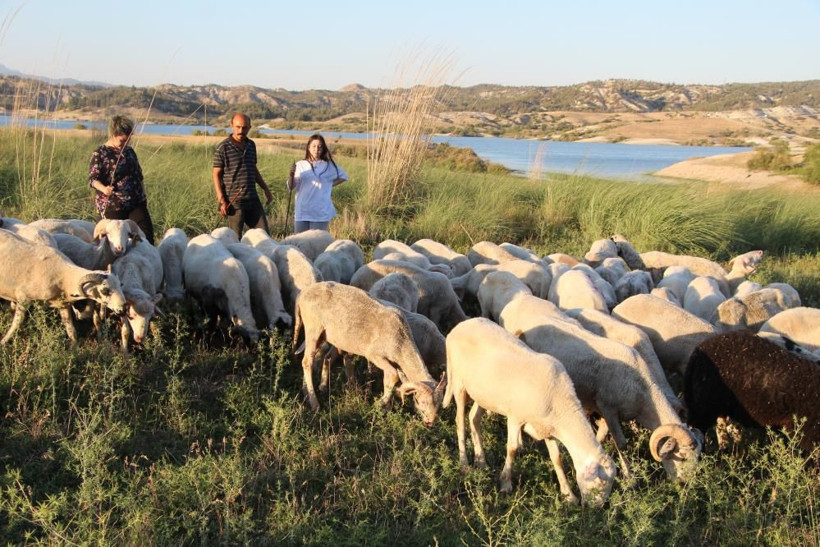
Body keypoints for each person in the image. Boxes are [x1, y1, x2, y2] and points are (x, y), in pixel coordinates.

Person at [89, 115, 155, 244]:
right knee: (115, 242)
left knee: (146, 239)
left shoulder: (129, 151)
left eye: (128, 140)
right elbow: (93, 179)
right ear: (114, 134)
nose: (125, 144)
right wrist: (104, 189)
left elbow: (139, 175)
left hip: (136, 202)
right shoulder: (100, 153)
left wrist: (143, 195)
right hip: (113, 205)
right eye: (122, 140)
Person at [212, 113, 274, 237]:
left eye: (245, 128)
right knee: (235, 239)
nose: (241, 131)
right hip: (234, 201)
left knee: (264, 236)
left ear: (250, 127)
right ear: (231, 126)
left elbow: (253, 169)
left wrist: (265, 189)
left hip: (252, 198)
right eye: (238, 127)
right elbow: (216, 175)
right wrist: (222, 200)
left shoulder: (251, 145)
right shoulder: (222, 148)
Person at [286, 134, 348, 233]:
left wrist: (328, 184)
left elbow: (343, 176)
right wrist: (291, 175)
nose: (317, 149)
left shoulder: (329, 165)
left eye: (320, 146)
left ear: (323, 149)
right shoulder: (300, 165)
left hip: (320, 213)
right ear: (308, 147)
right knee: (299, 241)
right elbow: (291, 186)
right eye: (314, 146)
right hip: (302, 212)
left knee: (317, 241)